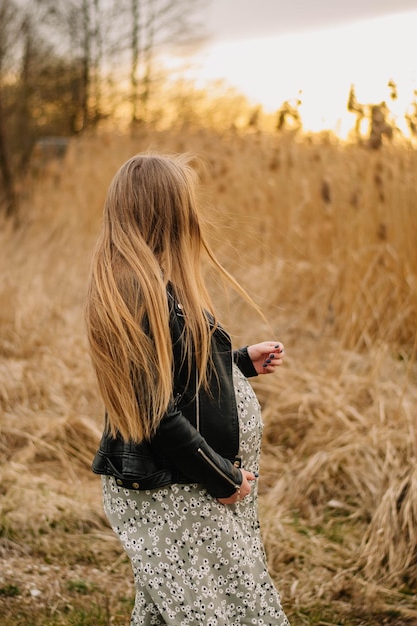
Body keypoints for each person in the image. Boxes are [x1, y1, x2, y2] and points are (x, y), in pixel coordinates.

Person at [85, 152, 290, 625]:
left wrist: (237, 362)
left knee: (176, 612)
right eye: (188, 205)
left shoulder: (152, 285)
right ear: (168, 214)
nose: (196, 216)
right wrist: (223, 478)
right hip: (176, 490)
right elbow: (153, 410)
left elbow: (174, 375)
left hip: (184, 490)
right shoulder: (139, 293)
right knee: (221, 613)